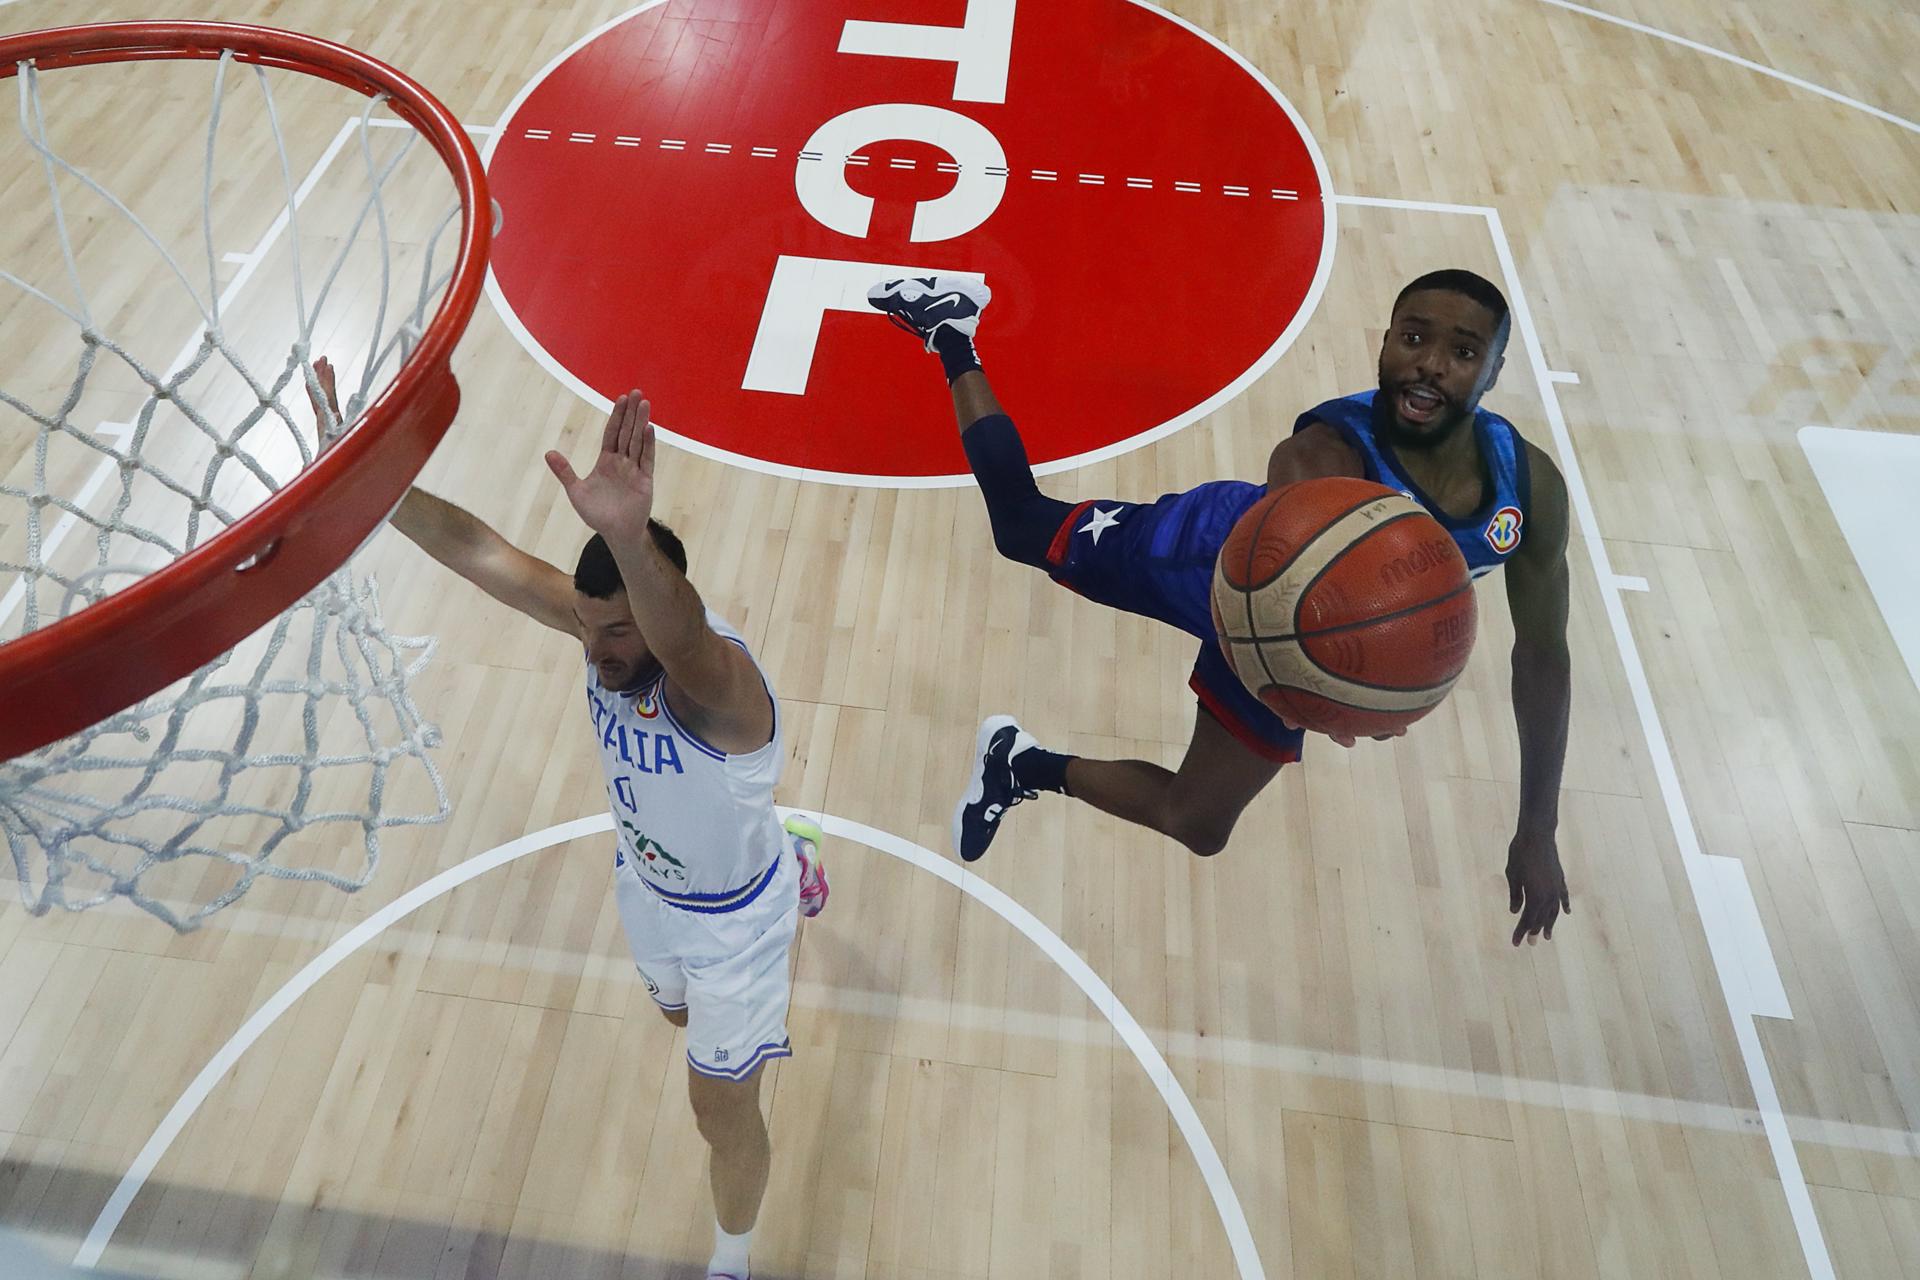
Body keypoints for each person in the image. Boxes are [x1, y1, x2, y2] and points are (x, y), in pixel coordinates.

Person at [868, 269, 1574, 946]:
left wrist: (1537, 826)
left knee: (1198, 823)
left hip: (1295, 640)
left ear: (1495, 370)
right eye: (1413, 339)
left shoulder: (1528, 486)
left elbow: (1543, 652)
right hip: (1221, 567)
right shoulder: (1321, 455)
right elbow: (1293, 617)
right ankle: (950, 331)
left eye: (1463, 352)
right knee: (1021, 526)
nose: (1430, 366)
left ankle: (1019, 764)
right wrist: (1353, 705)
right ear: (1385, 340)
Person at [311, 361, 827, 1280]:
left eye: (617, 631)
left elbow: (684, 637)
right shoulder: (604, 633)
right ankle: (791, 849)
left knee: (719, 1109)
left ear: (659, 606)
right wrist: (370, 477)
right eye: (588, 628)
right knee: (674, 1018)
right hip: (647, 883)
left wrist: (629, 535)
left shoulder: (721, 692)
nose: (597, 651)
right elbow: (485, 553)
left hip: (736, 925)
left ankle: (733, 1259)